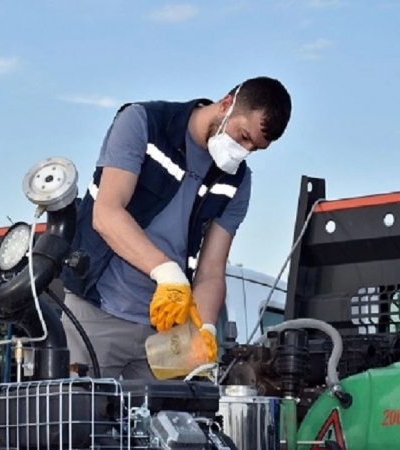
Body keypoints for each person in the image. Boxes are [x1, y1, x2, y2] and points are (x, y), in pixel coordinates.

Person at [59, 76, 292, 380]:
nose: (242, 151)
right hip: (96, 316)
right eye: (242, 136)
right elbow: (106, 215)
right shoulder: (143, 123)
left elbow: (211, 270)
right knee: (79, 422)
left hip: (166, 335)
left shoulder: (238, 181)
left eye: (253, 149)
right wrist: (167, 273)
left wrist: (205, 331)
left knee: (168, 425)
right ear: (225, 104)